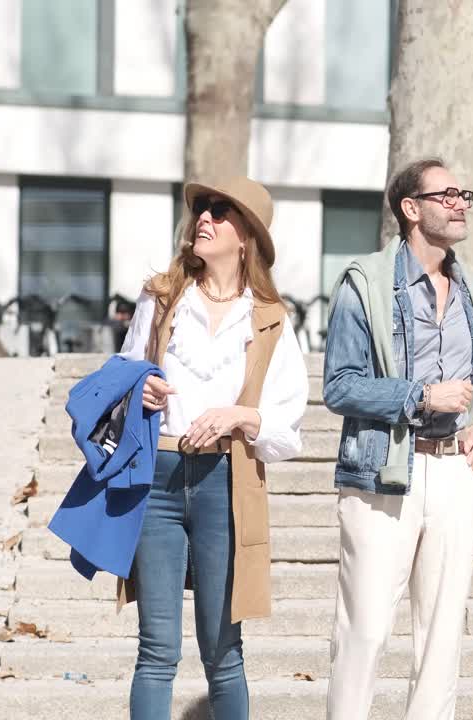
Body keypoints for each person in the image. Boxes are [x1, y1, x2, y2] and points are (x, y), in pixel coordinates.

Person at [321, 158, 473, 719]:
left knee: (441, 635)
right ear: (411, 208)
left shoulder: (471, 287)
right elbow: (339, 386)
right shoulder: (365, 284)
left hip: (455, 470)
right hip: (385, 469)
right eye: (447, 193)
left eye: (464, 194)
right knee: (365, 629)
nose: (460, 203)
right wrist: (419, 396)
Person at [116, 176, 309, 719]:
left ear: (245, 237)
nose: (204, 217)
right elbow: (122, 380)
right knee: (155, 650)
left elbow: (287, 428)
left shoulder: (269, 319)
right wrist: (139, 388)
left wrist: (238, 416)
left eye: (220, 210)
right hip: (157, 478)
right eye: (201, 207)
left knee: (224, 652)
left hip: (227, 484)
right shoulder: (161, 298)